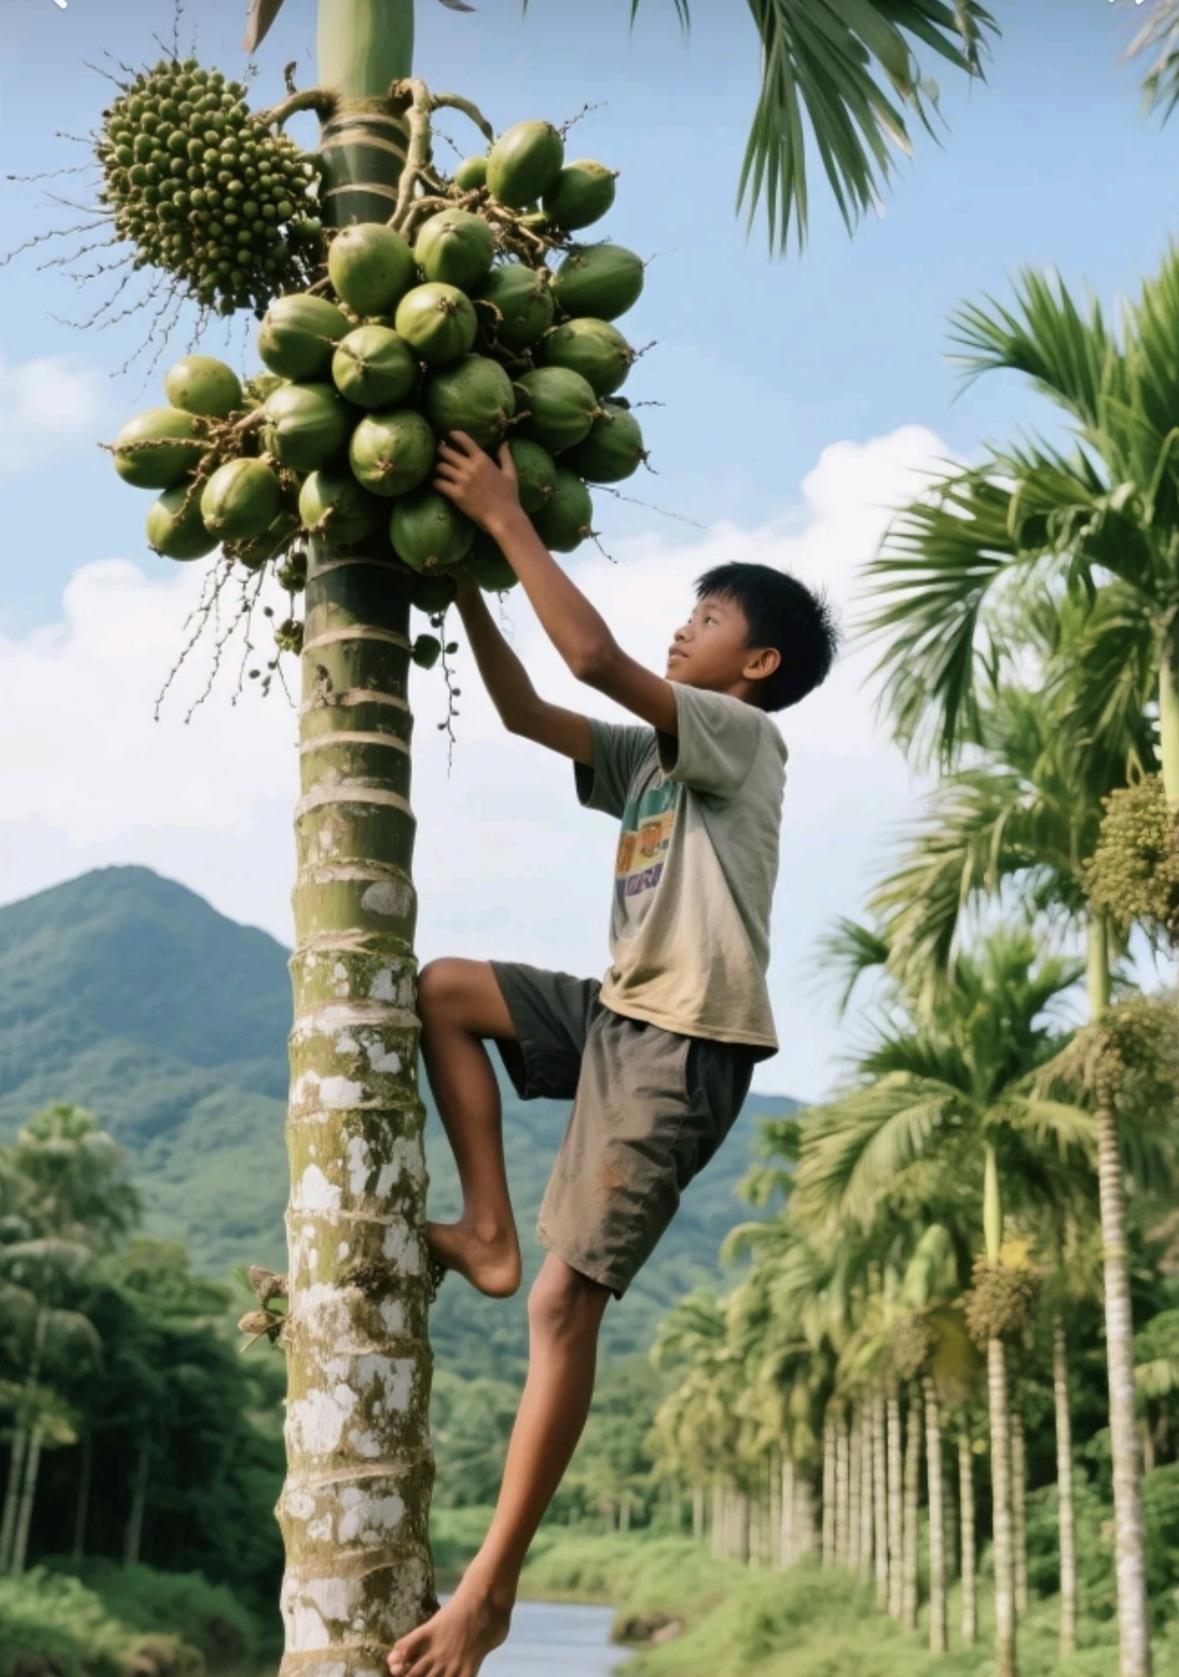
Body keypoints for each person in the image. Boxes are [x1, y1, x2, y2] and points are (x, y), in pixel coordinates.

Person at [387, 433, 838, 1677]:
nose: (680, 631)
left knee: (562, 1306)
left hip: (686, 1037)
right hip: (620, 1009)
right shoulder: (653, 754)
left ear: (757, 664)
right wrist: (464, 574)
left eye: (704, 619)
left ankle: (490, 1591)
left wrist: (506, 516)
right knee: (447, 991)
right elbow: (534, 705)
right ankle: (484, 1224)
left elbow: (587, 655)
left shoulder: (743, 739)